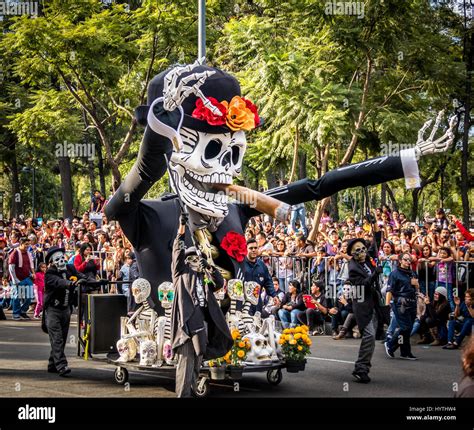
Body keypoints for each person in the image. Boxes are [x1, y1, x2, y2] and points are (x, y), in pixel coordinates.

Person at [170, 212, 233, 397]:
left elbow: (220, 284)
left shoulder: (202, 277)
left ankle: (191, 393)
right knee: (186, 366)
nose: (194, 261)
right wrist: (181, 229)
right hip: (187, 326)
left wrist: (209, 267)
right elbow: (177, 252)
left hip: (201, 326)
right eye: (191, 259)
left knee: (197, 363)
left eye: (196, 259)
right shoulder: (180, 274)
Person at [43, 246, 87, 376]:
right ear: (52, 261)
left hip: (66, 309)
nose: (61, 261)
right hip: (53, 310)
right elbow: (59, 282)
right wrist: (71, 283)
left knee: (61, 338)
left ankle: (52, 364)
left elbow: (81, 276)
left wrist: (93, 281)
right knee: (57, 339)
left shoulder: (70, 268)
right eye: (57, 259)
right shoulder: (49, 273)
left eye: (63, 257)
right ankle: (62, 365)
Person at [347, 238, 383, 383]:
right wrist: (375, 274)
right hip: (362, 305)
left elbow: (377, 241)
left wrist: (374, 223)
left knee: (373, 337)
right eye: (358, 251)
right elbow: (362, 285)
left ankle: (362, 367)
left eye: (363, 249)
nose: (362, 252)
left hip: (374, 302)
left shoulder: (368, 258)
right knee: (369, 335)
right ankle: (360, 368)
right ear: (352, 254)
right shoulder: (353, 268)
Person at [385, 252, 420, 360]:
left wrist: (417, 285)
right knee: (405, 327)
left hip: (412, 301)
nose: (408, 261)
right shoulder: (394, 274)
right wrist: (387, 305)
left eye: (409, 260)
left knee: (407, 329)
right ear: (400, 261)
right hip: (401, 302)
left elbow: (417, 289)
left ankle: (405, 352)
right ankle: (390, 344)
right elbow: (389, 290)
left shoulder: (412, 273)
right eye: (405, 259)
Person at [243, 238, 276, 314]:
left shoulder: (261, 264)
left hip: (257, 303)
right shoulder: (241, 264)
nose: (254, 250)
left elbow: (268, 281)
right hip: (244, 303)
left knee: (257, 323)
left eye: (255, 248)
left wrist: (274, 295)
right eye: (251, 248)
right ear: (246, 249)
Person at [8, 237, 35, 320]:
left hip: (27, 277)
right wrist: (15, 280)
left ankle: (23, 311)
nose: (28, 246)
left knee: (30, 296)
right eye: (26, 244)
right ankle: (16, 313)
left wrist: (33, 273)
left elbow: (31, 265)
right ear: (21, 244)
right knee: (17, 296)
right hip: (17, 279)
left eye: (29, 244)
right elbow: (11, 267)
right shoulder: (15, 253)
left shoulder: (28, 253)